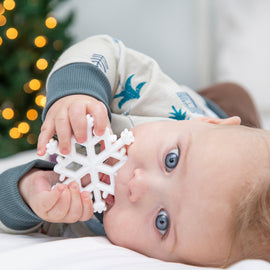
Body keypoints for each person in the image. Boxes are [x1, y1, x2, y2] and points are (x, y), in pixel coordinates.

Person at [0, 35, 268, 268]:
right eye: (171, 161)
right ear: (205, 125)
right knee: (234, 96)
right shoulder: (157, 101)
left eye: (162, 222)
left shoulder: (84, 212)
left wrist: (29, 190)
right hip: (203, 107)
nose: (137, 184)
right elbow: (108, 51)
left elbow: (7, 208)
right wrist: (80, 90)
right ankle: (231, 112)